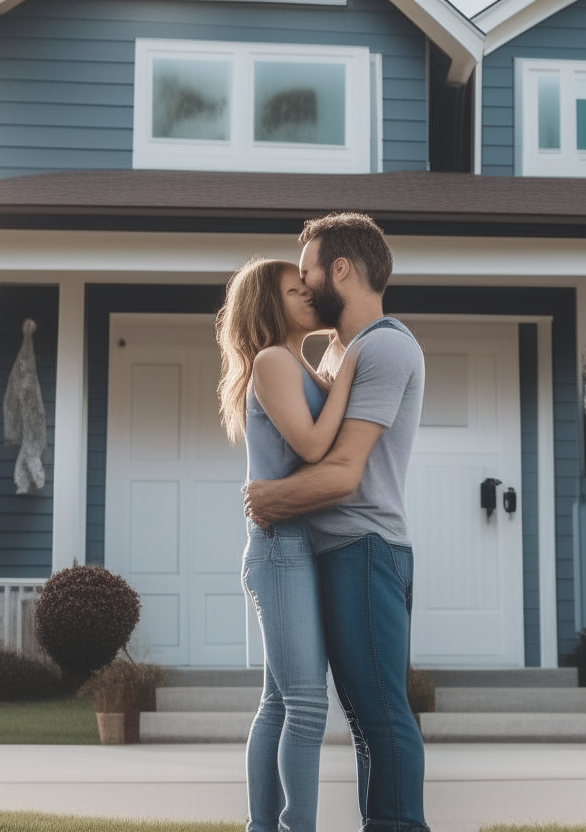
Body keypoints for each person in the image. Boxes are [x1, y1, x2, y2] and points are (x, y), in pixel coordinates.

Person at [244, 213, 428, 832]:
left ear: (339, 270)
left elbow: (343, 471)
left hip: (365, 547)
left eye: (307, 272)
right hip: (326, 550)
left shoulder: (383, 345)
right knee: (353, 718)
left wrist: (272, 499)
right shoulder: (337, 350)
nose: (302, 283)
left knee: (379, 716)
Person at [215, 256, 360, 832]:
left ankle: (263, 827)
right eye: (296, 291)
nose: (309, 296)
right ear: (268, 306)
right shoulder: (274, 361)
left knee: (279, 703)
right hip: (280, 548)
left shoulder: (297, 365)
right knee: (305, 704)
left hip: (292, 545)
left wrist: (338, 367)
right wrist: (351, 372)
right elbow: (315, 450)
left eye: (308, 288)